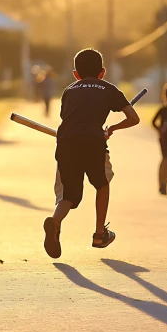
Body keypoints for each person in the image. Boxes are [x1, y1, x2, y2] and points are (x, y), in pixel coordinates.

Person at [42, 48, 140, 259]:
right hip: (93, 142)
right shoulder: (108, 88)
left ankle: (55, 221)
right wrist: (111, 129)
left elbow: (70, 118)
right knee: (102, 183)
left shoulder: (69, 90)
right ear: (102, 72)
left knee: (69, 194)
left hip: (66, 142)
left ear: (76, 74)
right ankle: (99, 234)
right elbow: (134, 118)